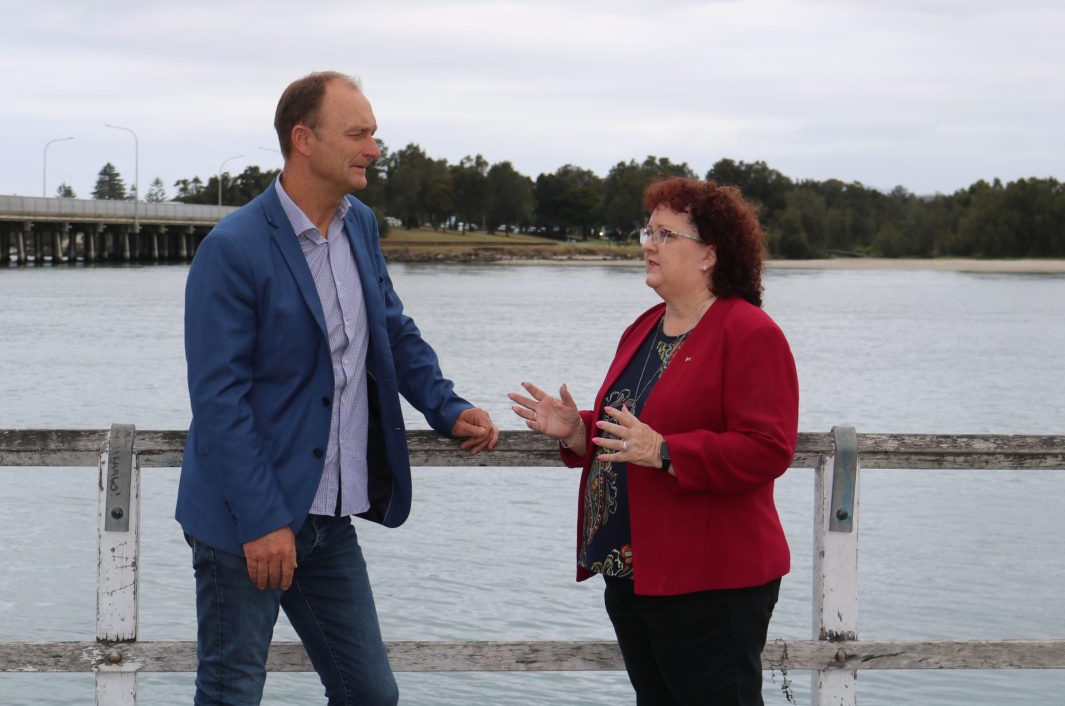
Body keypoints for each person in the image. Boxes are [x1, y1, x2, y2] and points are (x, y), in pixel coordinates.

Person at [177, 71, 499, 706]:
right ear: (304, 139)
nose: (373, 149)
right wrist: (265, 520)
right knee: (231, 693)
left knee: (370, 695)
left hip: (328, 517)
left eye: (373, 135)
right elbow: (219, 401)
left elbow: (394, 332)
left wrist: (447, 406)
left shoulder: (360, 226)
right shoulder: (232, 248)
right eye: (357, 134)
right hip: (248, 521)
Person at [508, 177, 798, 705]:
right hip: (632, 574)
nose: (648, 244)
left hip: (710, 581)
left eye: (665, 234)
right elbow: (634, 427)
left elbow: (768, 448)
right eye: (649, 230)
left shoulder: (751, 333)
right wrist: (577, 430)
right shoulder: (645, 326)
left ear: (708, 254)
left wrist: (666, 453)